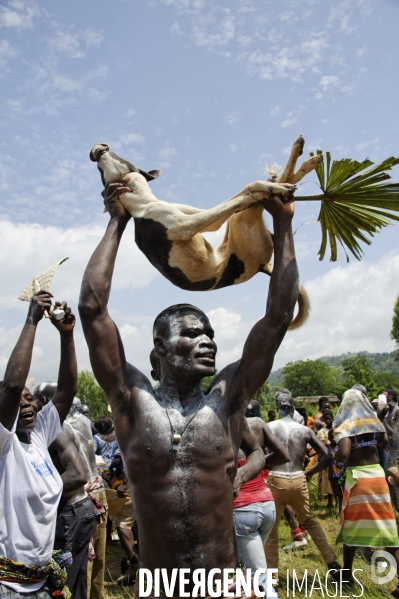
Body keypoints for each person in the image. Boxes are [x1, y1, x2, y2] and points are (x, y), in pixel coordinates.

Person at [79, 180, 299, 596]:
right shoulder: (130, 401)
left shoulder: (228, 398)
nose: (209, 341)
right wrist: (117, 223)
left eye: (211, 333)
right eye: (193, 333)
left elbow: (278, 316)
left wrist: (283, 226)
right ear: (160, 348)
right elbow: (92, 310)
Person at [0, 293, 77, 599]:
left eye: (30, 398)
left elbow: (68, 389)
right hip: (8, 587)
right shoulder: (5, 445)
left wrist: (67, 335)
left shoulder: (39, 437)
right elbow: (12, 385)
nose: (27, 405)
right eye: (18, 403)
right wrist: (32, 319)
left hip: (42, 584)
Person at [265, 390, 340, 583]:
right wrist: (309, 473)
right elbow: (328, 456)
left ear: (277, 407)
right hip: (298, 478)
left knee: (271, 530)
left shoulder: (269, 427)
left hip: (276, 480)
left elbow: (261, 455)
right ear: (292, 408)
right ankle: (332, 563)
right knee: (310, 521)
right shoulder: (304, 431)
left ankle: (272, 577)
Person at [334, 388, 399, 588]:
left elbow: (344, 453)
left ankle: (347, 575)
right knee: (388, 530)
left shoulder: (345, 425)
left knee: (351, 527)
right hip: (378, 477)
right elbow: (383, 443)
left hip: (358, 480)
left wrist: (335, 456)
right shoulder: (373, 423)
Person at [233, 412, 290, 592]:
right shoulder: (258, 424)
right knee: (246, 570)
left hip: (242, 511)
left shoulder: (222, 425)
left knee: (258, 577)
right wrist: (256, 463)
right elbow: (283, 455)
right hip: (267, 505)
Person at [50, 420, 96, 599]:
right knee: (74, 580)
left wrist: (39, 496)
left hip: (71, 513)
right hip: (73, 512)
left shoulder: (57, 429)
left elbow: (79, 475)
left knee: (64, 582)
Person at [66, 401, 108, 599]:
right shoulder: (85, 422)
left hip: (83, 494)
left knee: (86, 559)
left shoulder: (64, 425)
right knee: (98, 554)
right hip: (98, 489)